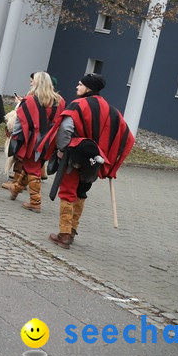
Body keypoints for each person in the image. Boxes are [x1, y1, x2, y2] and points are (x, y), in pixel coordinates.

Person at [39, 73, 135, 249]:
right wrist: (110, 158)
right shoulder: (111, 109)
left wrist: (61, 150)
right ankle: (72, 231)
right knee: (81, 193)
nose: (77, 87)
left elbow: (66, 129)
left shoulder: (78, 105)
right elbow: (126, 136)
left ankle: (64, 235)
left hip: (72, 160)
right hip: (94, 162)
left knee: (68, 193)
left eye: (80, 84)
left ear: (88, 88)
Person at [5, 71, 64, 213]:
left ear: (37, 82)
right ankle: (16, 189)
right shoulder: (60, 101)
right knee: (31, 166)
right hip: (49, 141)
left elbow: (21, 122)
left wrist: (15, 139)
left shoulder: (30, 100)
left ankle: (35, 201)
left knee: (33, 168)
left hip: (32, 141)